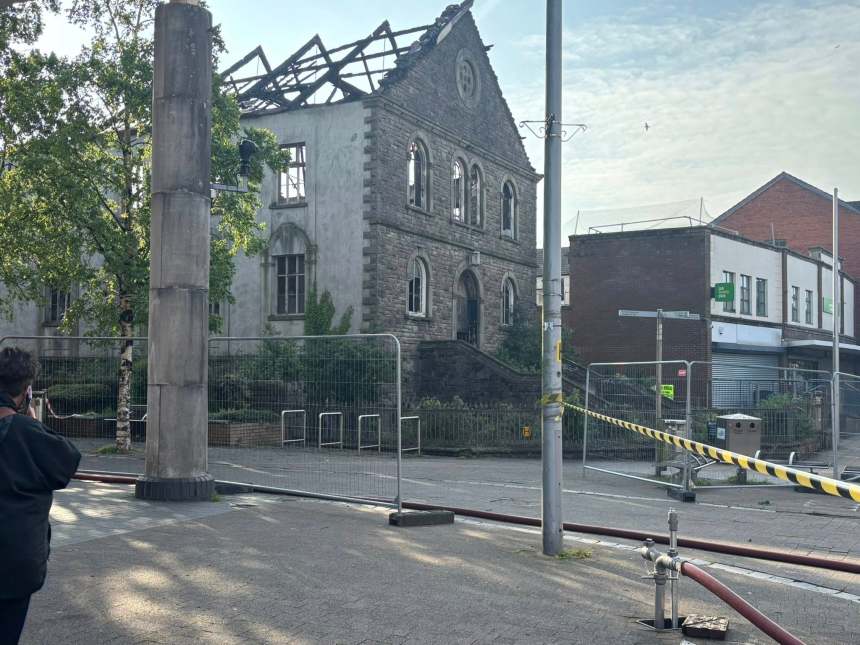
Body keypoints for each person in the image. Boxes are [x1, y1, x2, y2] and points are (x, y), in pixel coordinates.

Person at [0, 347, 81, 645]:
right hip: (14, 563)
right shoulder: (29, 433)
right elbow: (66, 462)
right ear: (26, 391)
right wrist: (34, 424)